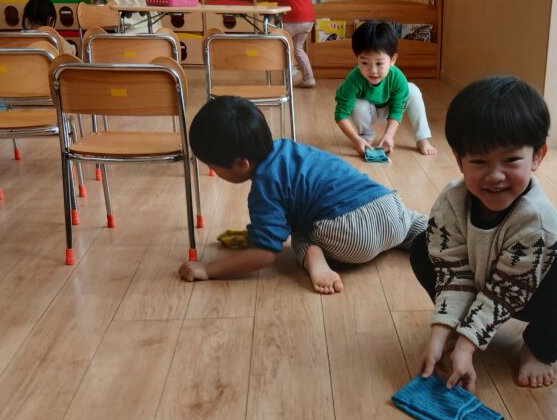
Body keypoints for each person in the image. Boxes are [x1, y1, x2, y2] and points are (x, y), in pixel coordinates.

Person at [409, 76, 557, 390]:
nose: (495, 175)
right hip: (474, 280)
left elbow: (507, 291)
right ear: (459, 159)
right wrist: (439, 334)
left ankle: (538, 346)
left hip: (526, 292)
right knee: (420, 246)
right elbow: (452, 272)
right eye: (479, 161)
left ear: (537, 156)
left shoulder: (537, 218)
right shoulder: (451, 202)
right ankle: (459, 322)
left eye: (511, 160)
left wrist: (467, 347)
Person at [177, 96, 428, 294]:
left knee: (299, 231)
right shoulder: (287, 147)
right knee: (410, 222)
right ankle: (438, 236)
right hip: (389, 207)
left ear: (241, 164)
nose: (211, 169)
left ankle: (314, 258)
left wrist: (208, 269)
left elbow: (265, 254)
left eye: (212, 165)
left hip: (352, 238)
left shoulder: (264, 188)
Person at [334, 20, 437, 157]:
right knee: (358, 103)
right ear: (357, 58)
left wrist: (389, 136)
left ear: (393, 60)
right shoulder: (354, 79)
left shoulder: (397, 77)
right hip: (367, 111)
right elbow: (341, 114)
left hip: (389, 108)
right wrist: (355, 139)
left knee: (412, 90)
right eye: (364, 62)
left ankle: (422, 138)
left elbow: (397, 108)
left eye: (379, 63)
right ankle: (365, 137)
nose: (372, 70)